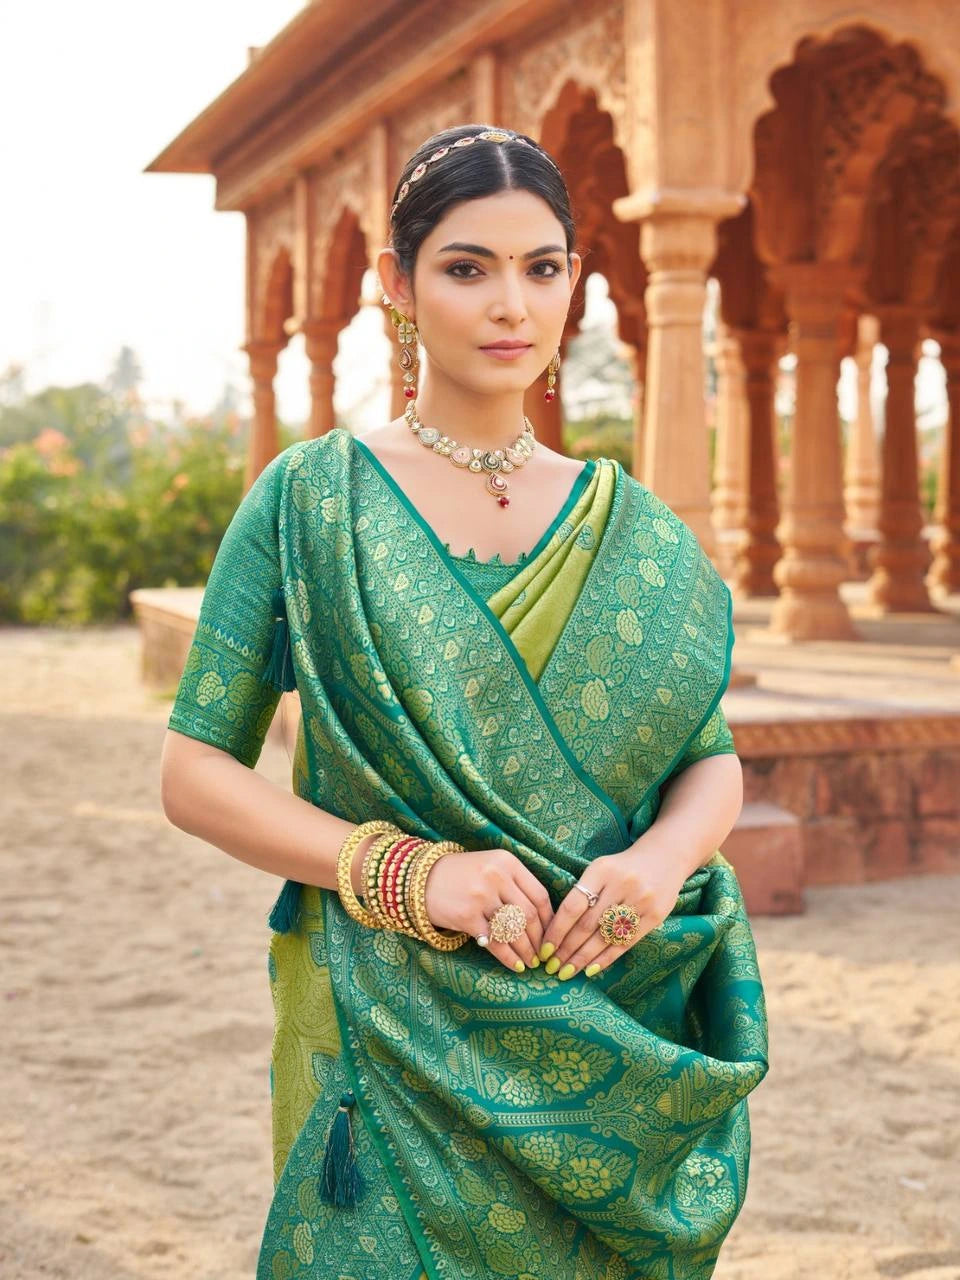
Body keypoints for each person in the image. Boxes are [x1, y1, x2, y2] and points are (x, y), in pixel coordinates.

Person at [160, 123, 769, 1280]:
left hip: (607, 1016)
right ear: (397, 284)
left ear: (573, 285)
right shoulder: (310, 505)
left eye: (541, 268)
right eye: (465, 266)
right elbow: (194, 772)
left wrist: (657, 863)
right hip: (385, 1022)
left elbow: (709, 755)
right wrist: (405, 871)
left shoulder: (630, 528)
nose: (510, 306)